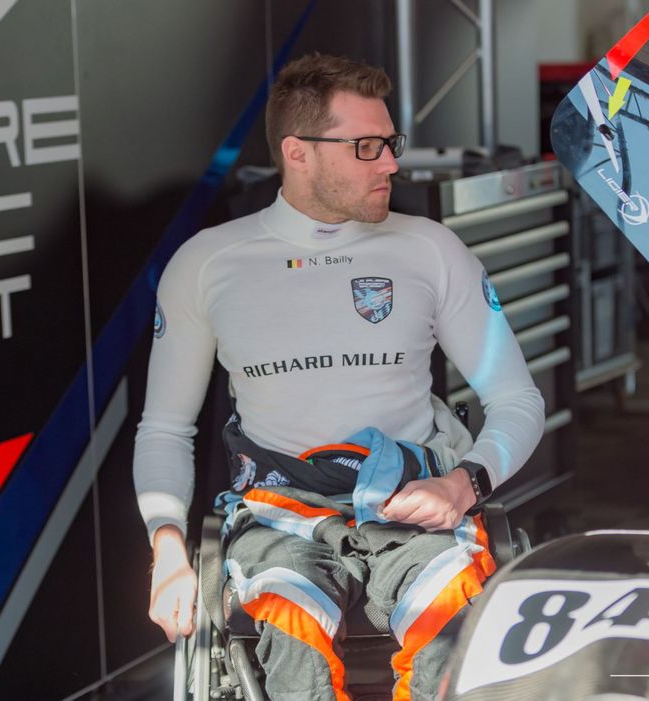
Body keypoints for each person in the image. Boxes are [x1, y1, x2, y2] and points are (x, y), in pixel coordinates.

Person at [133, 53, 545, 701]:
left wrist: (463, 484)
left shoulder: (432, 249)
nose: (391, 164)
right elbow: (164, 428)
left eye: (389, 144)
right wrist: (168, 554)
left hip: (416, 509)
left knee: (454, 637)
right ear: (297, 153)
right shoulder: (207, 263)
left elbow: (516, 398)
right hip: (278, 517)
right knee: (292, 636)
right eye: (366, 147)